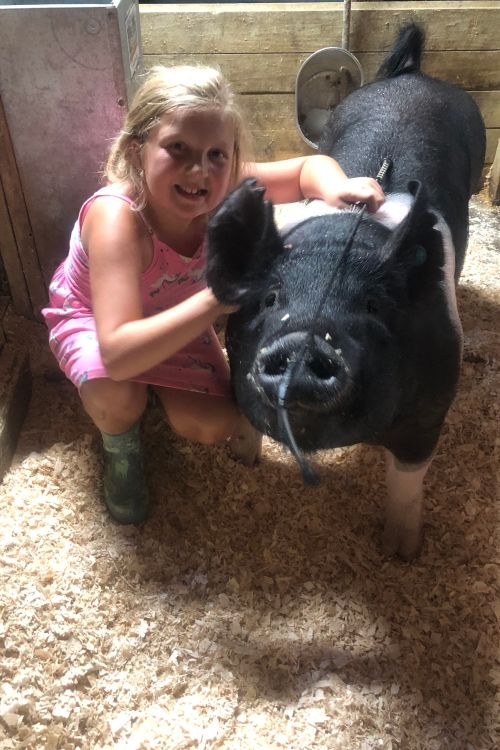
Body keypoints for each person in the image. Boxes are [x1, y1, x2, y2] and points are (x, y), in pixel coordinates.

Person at [42, 65, 385, 525]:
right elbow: (119, 352)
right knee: (117, 395)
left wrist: (335, 186)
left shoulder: (219, 189)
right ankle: (120, 445)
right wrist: (216, 300)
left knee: (213, 424)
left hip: (176, 318)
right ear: (135, 149)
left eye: (216, 154)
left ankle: (157, 393)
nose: (199, 170)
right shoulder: (117, 220)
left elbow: (306, 168)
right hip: (99, 323)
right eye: (177, 148)